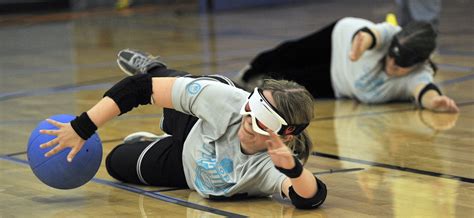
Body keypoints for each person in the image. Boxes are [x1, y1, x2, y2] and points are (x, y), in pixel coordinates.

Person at [38, 49, 327, 209]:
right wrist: (81, 128)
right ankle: (155, 67)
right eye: (250, 110)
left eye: (261, 121)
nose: (248, 122)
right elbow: (138, 89)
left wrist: (293, 170)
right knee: (183, 86)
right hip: (195, 127)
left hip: (187, 167)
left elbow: (311, 196)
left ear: (285, 133)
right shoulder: (226, 103)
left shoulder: (272, 166)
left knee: (115, 163)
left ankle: (154, 139)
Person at [234, 17, 458, 113]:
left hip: (338, 83)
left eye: (399, 67)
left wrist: (435, 102)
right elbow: (372, 34)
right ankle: (248, 72)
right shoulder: (391, 34)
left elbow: (425, 91)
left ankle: (252, 87)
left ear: (418, 63)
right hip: (338, 41)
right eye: (391, 57)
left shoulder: (419, 74)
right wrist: (359, 46)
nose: (391, 65)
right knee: (287, 53)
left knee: (287, 80)